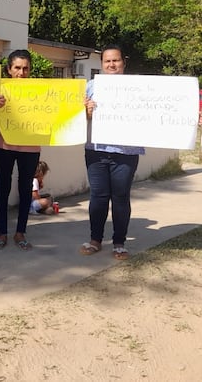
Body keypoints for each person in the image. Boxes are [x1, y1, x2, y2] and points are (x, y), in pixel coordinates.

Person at [80, 44, 145, 261]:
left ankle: (119, 243)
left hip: (126, 152)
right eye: (107, 61)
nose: (111, 64)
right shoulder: (91, 87)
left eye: (115, 60)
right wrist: (87, 112)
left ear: (123, 62)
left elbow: (152, 113)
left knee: (120, 197)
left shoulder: (139, 87)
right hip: (96, 151)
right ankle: (95, 240)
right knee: (97, 197)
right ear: (101, 65)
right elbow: (77, 120)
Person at [0, 50, 41, 251]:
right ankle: (2, 232)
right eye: (17, 68)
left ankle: (20, 232)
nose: (21, 72)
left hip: (30, 146)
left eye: (25, 68)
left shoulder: (40, 90)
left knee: (25, 189)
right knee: (2, 187)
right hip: (3, 145)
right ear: (9, 69)